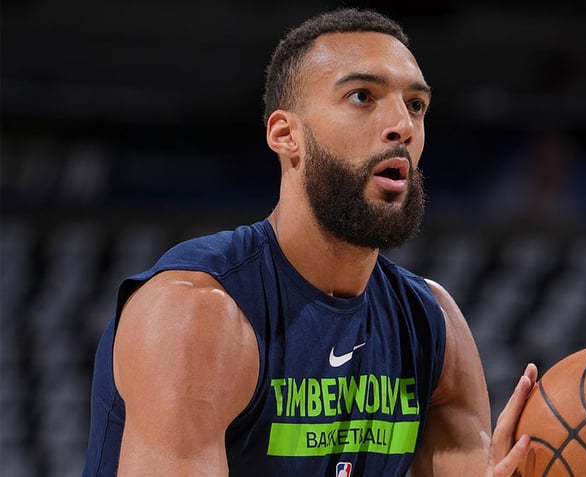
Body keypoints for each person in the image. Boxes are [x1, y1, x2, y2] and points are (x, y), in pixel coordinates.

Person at [82, 7, 538, 476]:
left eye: (416, 105)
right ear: (286, 135)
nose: (402, 125)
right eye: (363, 96)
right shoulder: (196, 315)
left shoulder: (433, 326)